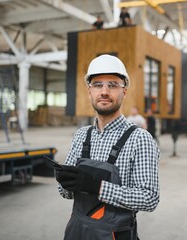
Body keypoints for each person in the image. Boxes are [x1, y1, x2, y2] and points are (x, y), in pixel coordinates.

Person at [56, 54, 160, 239]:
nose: (104, 91)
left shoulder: (140, 139)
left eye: (112, 85)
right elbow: (66, 194)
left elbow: (149, 198)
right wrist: (65, 182)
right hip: (76, 230)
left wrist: (97, 187)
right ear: (90, 91)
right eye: (98, 85)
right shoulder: (81, 135)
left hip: (115, 234)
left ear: (124, 92)